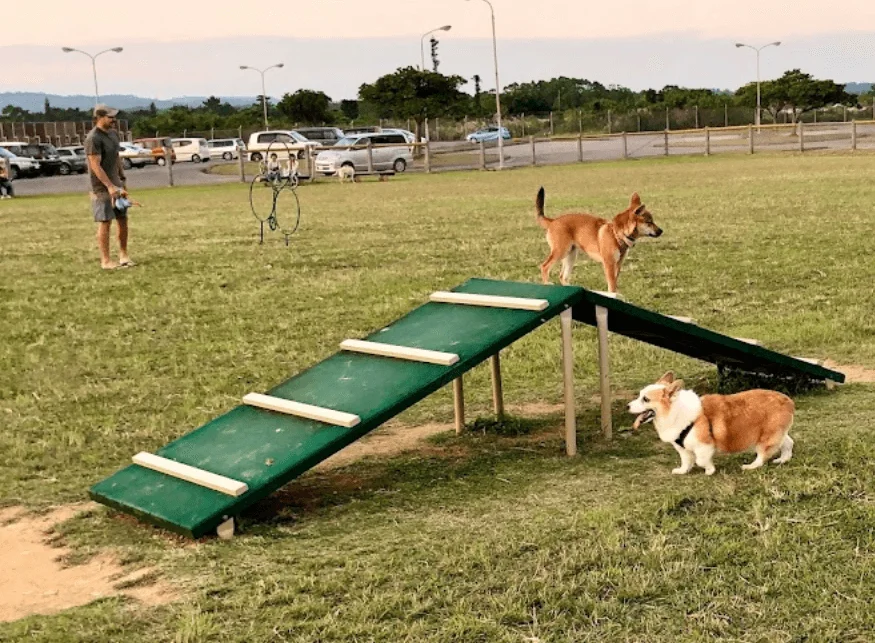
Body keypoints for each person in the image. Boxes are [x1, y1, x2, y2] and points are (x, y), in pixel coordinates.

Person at [85, 104, 133, 270]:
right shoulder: (93, 138)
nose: (114, 120)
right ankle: (105, 260)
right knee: (105, 221)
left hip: (116, 184)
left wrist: (121, 179)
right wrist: (109, 186)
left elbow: (116, 158)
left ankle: (123, 255)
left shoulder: (113, 135)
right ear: (100, 117)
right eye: (110, 117)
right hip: (101, 187)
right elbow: (95, 165)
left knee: (122, 219)